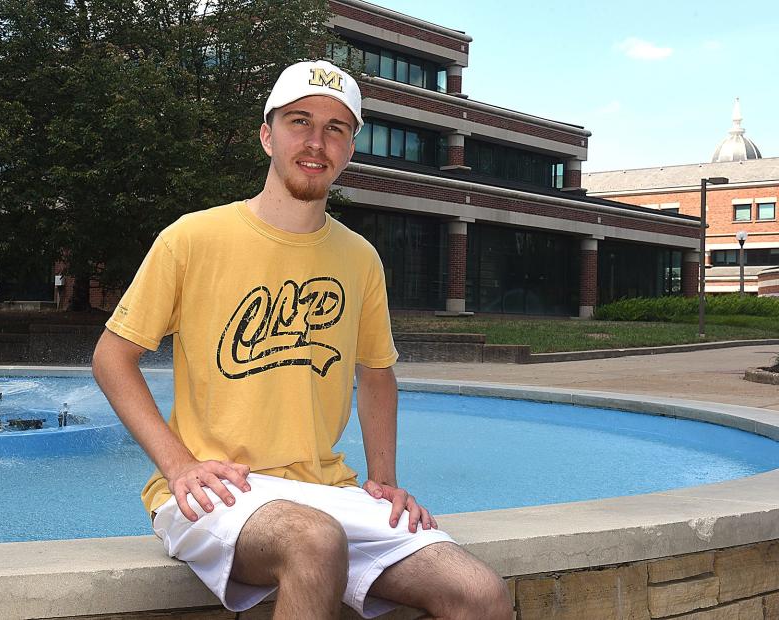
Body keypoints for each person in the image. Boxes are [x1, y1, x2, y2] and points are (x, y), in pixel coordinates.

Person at [92, 59, 512, 619]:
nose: (316, 142)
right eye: (299, 122)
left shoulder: (359, 258)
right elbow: (112, 358)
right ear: (267, 135)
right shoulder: (192, 238)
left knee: (480, 594)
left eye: (335, 128)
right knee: (313, 540)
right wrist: (179, 464)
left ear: (349, 149)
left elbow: (377, 372)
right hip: (217, 493)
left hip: (327, 490)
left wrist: (384, 481)